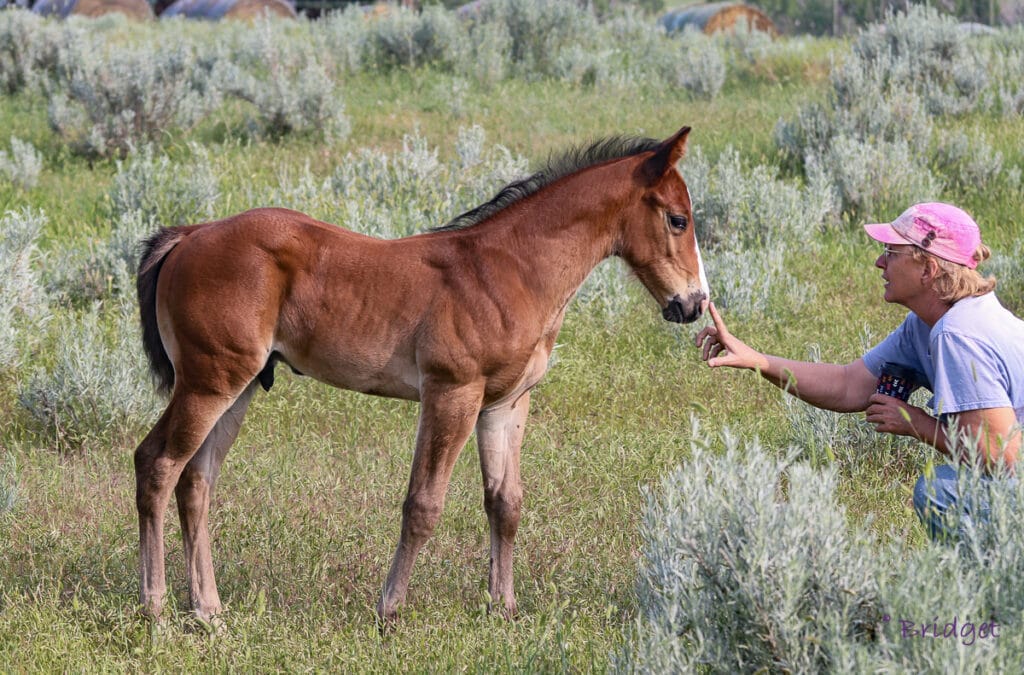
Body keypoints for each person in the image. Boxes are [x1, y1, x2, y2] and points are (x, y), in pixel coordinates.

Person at [695, 202, 1024, 540]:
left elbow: (1003, 458)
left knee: (940, 493)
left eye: (891, 253)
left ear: (928, 269)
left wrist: (916, 423)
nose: (879, 262)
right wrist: (758, 360)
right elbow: (848, 384)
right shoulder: (926, 326)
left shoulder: (959, 333)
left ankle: (990, 590)